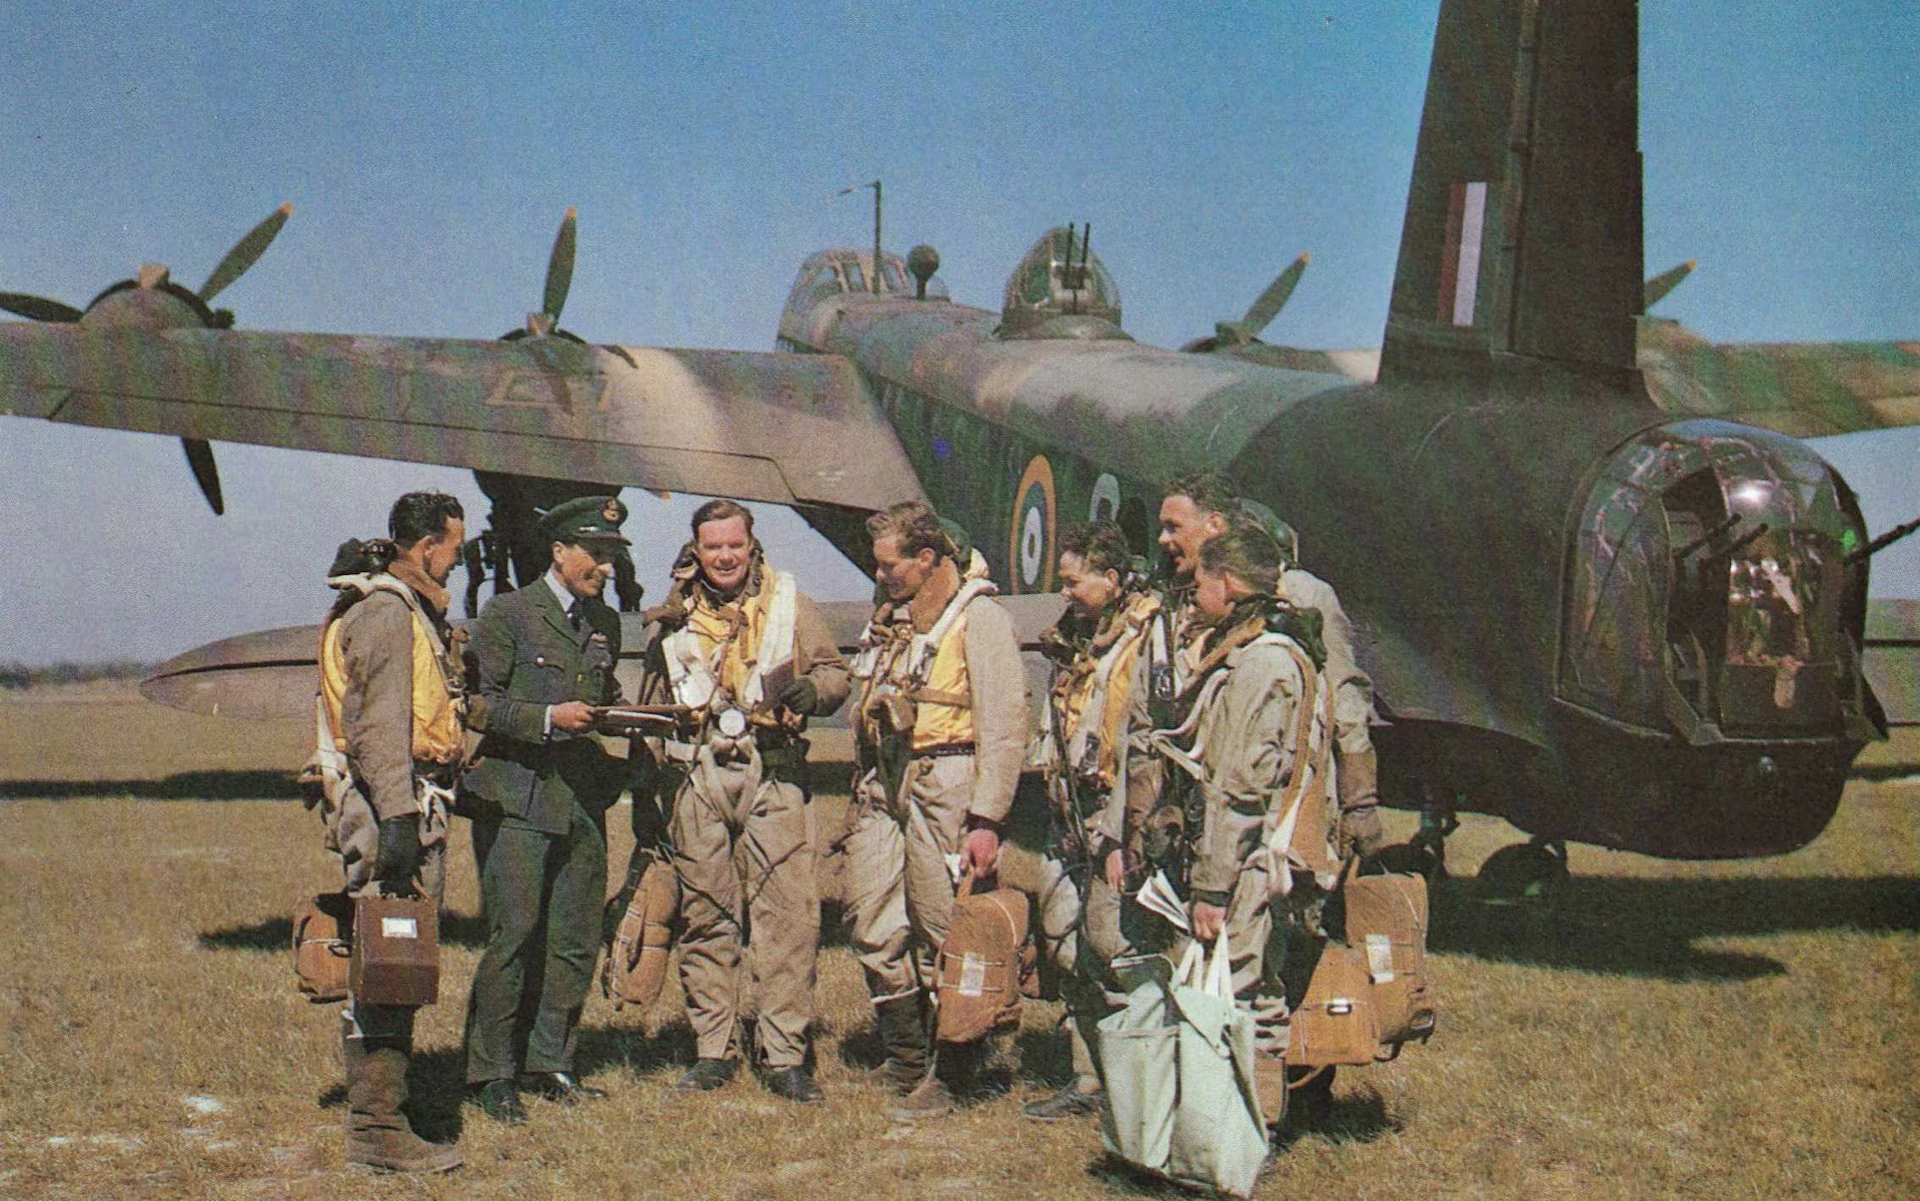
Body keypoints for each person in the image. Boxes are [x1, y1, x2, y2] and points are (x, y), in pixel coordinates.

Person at [637, 500, 849, 1102]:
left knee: (786, 918)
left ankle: (783, 1054)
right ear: (696, 551)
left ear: (751, 546)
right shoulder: (672, 617)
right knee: (705, 915)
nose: (725, 556)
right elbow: (653, 705)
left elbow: (836, 675)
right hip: (694, 780)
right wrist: (647, 789)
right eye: (713, 547)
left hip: (774, 772)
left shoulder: (787, 602)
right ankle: (713, 1049)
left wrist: (813, 689)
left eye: (735, 545)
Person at [1149, 516, 1339, 1136]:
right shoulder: (1290, 653)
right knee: (1251, 997)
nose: (1195, 593)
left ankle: (1238, 1147)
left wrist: (1211, 888)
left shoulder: (1261, 663)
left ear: (1226, 584)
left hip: (1248, 865)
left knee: (1242, 1000)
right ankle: (1239, 1137)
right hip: (1261, 862)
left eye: (1202, 580)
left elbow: (1238, 787)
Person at [844, 500, 1028, 1120]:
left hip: (948, 778)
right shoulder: (892, 620)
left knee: (943, 927)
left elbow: (1005, 727)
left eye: (889, 565)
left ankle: (952, 1070)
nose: (880, 576)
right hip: (885, 778)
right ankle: (905, 1056)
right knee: (871, 916)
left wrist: (986, 818)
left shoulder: (980, 620)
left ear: (927, 560)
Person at [311, 491, 469, 1173]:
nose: (456, 565)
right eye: (454, 552)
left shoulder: (396, 609)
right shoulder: (385, 612)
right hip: (389, 811)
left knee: (392, 960)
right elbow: (377, 726)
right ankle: (376, 1126)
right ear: (428, 545)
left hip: (398, 802)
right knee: (387, 962)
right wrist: (400, 817)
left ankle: (386, 1114)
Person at [460, 495, 629, 1122]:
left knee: (576, 938)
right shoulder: (507, 614)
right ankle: (490, 1072)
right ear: (559, 552)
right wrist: (547, 720)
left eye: (611, 557)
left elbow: (602, 698)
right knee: (514, 936)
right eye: (596, 554)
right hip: (519, 795)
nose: (605, 568)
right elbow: (477, 706)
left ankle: (550, 1061)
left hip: (582, 799)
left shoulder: (604, 624)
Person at [1155, 471, 1383, 859]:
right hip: (1201, 817)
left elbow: (1344, 698)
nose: (1163, 540)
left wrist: (1360, 803)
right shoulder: (1176, 603)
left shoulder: (1300, 594)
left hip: (1281, 812)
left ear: (1213, 524)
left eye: (1173, 527)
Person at [1024, 522, 1162, 1121]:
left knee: (1112, 947)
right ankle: (1088, 1078)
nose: (1065, 595)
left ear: (1111, 579)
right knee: (1064, 947)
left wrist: (1124, 831)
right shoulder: (1078, 638)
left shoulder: (1149, 638)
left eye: (1074, 582)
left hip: (1111, 816)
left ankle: (1136, 1083)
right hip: (1068, 813)